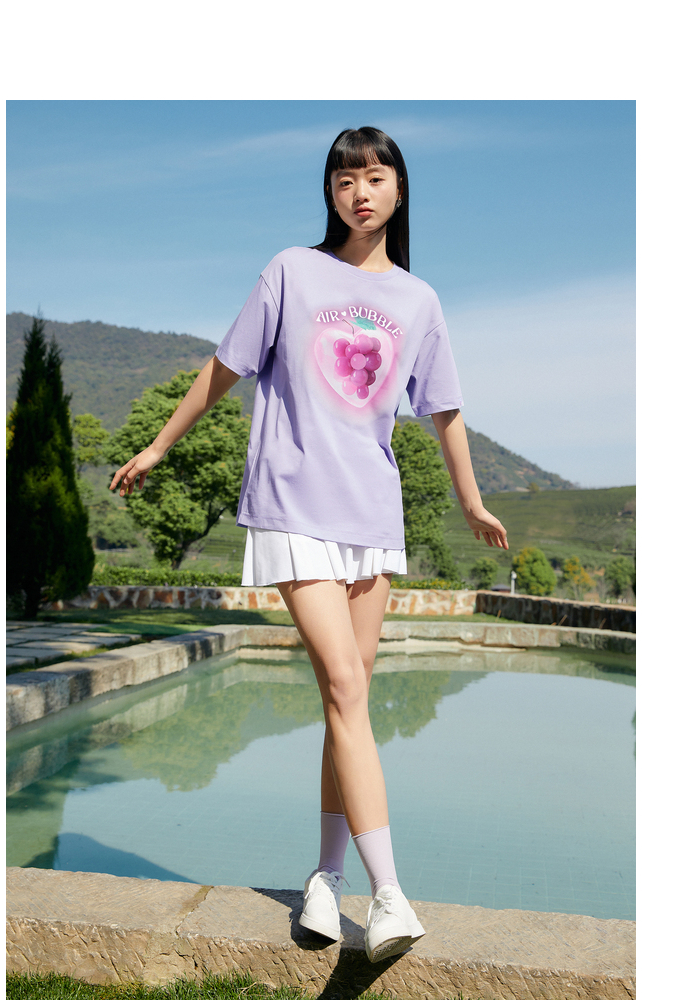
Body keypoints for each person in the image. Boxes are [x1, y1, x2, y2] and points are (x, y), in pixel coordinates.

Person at [110, 126, 508, 963]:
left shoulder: (419, 301)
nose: (361, 192)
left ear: (400, 188)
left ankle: (325, 879)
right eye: (345, 178)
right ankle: (389, 895)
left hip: (373, 516)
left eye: (376, 176)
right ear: (329, 191)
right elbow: (225, 367)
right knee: (346, 686)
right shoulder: (291, 270)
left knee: (345, 701)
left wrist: (471, 500)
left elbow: (444, 410)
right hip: (293, 505)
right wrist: (158, 446)